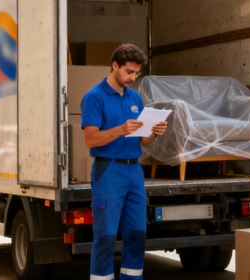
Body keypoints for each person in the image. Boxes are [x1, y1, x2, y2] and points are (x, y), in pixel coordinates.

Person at [80, 44, 166, 280]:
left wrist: (155, 132)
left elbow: (144, 142)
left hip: (134, 171)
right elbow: (90, 139)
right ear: (115, 65)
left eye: (136, 73)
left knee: (138, 235)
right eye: (129, 72)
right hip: (108, 170)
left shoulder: (134, 97)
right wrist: (120, 129)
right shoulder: (94, 97)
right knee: (106, 236)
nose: (133, 77)